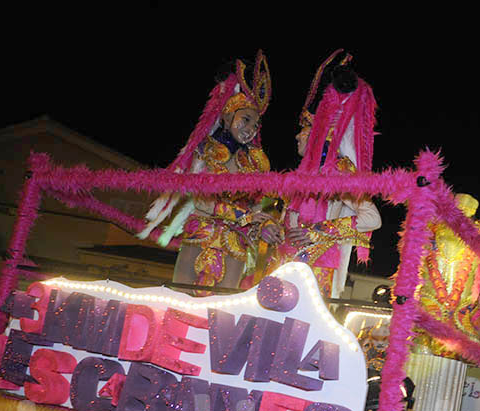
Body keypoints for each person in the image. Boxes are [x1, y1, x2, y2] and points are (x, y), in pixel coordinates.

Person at [138, 50, 281, 291]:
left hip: (236, 241)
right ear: (227, 116)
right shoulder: (204, 149)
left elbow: (260, 204)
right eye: (245, 119)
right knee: (181, 300)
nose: (251, 129)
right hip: (202, 232)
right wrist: (245, 216)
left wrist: (264, 224)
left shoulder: (257, 161)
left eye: (256, 124)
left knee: (221, 308)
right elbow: (202, 200)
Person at [269, 50, 381, 298]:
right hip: (282, 265)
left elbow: (372, 218)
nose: (298, 135)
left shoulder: (338, 173)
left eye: (305, 130)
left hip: (315, 272)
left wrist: (320, 230)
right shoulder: (298, 176)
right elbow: (287, 219)